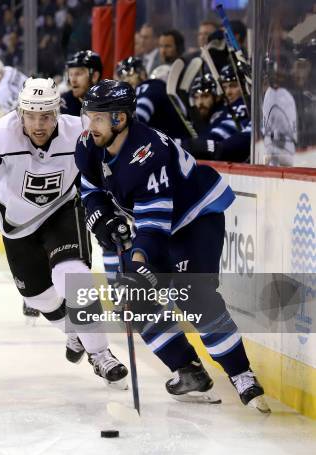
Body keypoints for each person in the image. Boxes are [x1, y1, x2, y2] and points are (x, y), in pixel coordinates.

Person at [75, 79, 269, 412]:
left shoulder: (147, 154)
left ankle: (242, 375)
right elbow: (90, 189)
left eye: (97, 118)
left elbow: (153, 228)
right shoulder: (89, 143)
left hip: (195, 217)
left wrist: (138, 261)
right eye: (87, 115)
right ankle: (188, 371)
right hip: (159, 225)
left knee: (194, 295)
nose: (89, 125)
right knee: (135, 303)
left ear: (120, 119)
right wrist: (102, 219)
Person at [0, 77, 129, 387]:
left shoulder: (79, 132)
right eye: (31, 115)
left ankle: (101, 355)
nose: (38, 124)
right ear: (20, 112)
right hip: (17, 225)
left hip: (63, 212)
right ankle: (75, 332)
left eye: (46, 115)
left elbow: (110, 164)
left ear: (57, 112)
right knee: (39, 297)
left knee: (74, 275)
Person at [116, 56, 190, 140]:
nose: (126, 80)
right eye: (122, 78)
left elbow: (139, 118)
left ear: (142, 73)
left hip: (175, 145)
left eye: (129, 74)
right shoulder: (154, 88)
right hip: (173, 143)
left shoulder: (150, 86)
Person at [182, 73, 250, 162]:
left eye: (205, 96)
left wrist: (190, 145)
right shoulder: (214, 115)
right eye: (224, 87)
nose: (200, 102)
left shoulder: (240, 105)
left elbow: (216, 137)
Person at [60, 50, 102, 117]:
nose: (73, 80)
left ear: (94, 76)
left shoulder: (107, 105)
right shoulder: (64, 103)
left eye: (78, 74)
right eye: (70, 74)